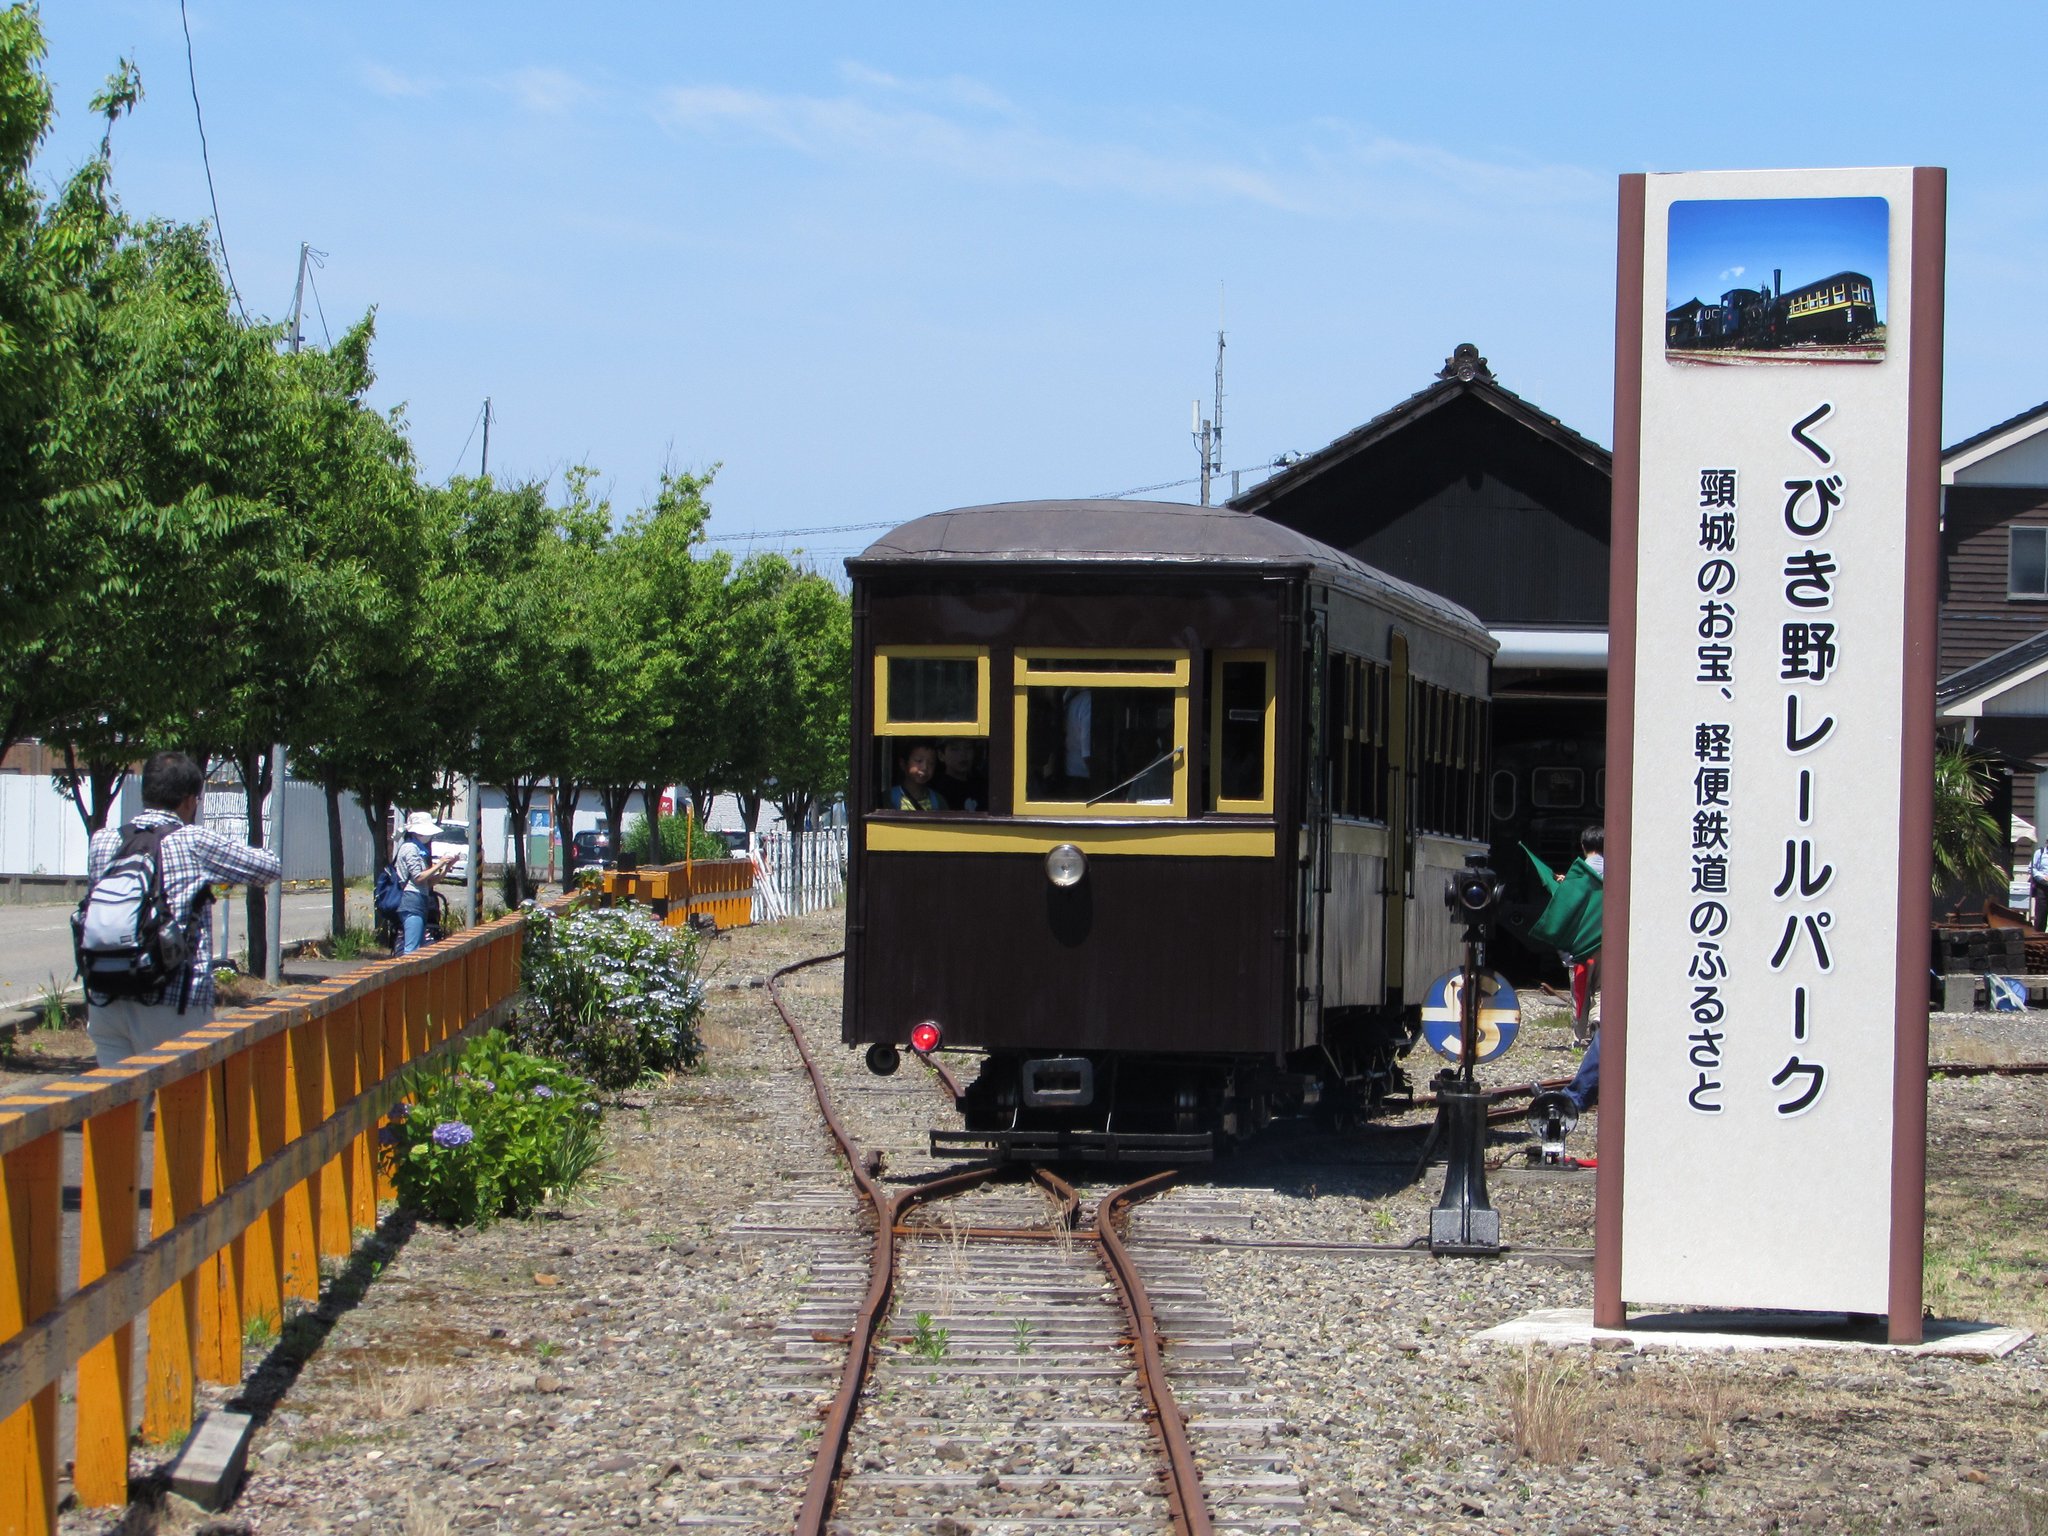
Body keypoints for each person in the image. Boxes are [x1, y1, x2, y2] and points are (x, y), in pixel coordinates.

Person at [83, 751, 282, 1069]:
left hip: (107, 996)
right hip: (172, 999)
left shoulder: (103, 841)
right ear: (190, 800)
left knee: (116, 1109)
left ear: (146, 792)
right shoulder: (192, 840)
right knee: (183, 1111)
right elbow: (268, 868)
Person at [393, 811, 457, 955]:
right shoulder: (409, 848)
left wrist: (445, 868)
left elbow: (427, 883)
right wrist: (440, 864)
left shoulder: (418, 849)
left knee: (419, 947)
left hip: (420, 899)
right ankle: (408, 976)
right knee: (412, 949)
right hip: (411, 900)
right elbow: (418, 878)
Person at [886, 743, 949, 812]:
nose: (925, 767)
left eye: (931, 763)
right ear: (903, 764)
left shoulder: (938, 800)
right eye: (919, 761)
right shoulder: (889, 797)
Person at [931, 739, 986, 812]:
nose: (963, 754)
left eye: (968, 748)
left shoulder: (981, 785)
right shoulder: (936, 791)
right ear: (941, 755)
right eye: (954, 749)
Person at [2030, 838, 2048, 931]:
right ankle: (2039, 936)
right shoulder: (2039, 853)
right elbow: (2032, 868)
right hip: (2042, 887)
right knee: (2041, 915)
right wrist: (2041, 876)